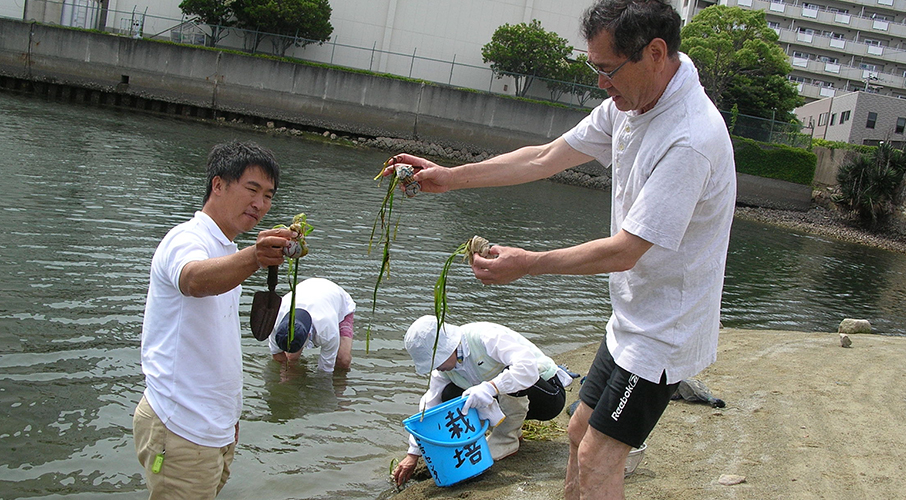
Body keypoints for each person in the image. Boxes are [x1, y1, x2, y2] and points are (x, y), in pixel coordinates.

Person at [382, 1, 736, 497]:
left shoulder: (689, 139)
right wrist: (448, 179)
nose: (600, 83)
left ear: (655, 53)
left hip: (663, 333)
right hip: (630, 317)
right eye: (593, 67)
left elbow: (625, 250)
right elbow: (546, 157)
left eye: (607, 69)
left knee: (598, 457)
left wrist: (529, 264)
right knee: (576, 433)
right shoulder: (630, 105)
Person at [133, 140, 297, 499]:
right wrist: (255, 257)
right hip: (180, 429)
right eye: (252, 189)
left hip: (213, 430)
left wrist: (229, 419)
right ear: (218, 185)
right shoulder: (186, 239)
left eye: (268, 195)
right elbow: (193, 280)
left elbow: (216, 342)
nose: (260, 204)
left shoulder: (225, 247)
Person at [392, 315, 573, 486]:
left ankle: (505, 440)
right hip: (511, 402)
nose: (437, 367)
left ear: (449, 347)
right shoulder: (443, 370)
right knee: (448, 395)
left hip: (548, 394)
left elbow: (528, 369)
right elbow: (430, 405)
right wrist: (413, 453)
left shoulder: (485, 337)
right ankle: (511, 431)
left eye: (437, 361)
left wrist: (490, 387)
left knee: (510, 377)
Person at [268, 277, 356, 373]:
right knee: (290, 359)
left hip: (338, 302)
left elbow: (325, 370)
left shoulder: (327, 329)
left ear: (308, 335)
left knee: (343, 360)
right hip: (307, 292)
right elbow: (277, 354)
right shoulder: (275, 320)